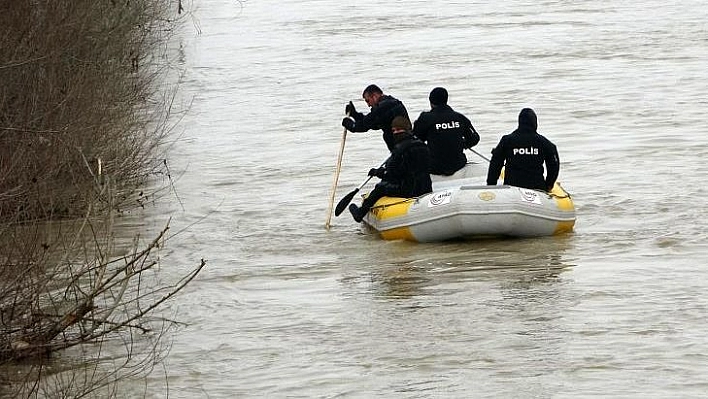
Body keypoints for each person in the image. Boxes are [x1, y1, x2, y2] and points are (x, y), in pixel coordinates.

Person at [349, 116, 432, 222]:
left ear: (407, 130)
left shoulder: (399, 150)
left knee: (380, 187)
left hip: (408, 190)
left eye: (398, 130)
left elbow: (393, 175)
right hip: (425, 188)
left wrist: (378, 173)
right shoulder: (423, 146)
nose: (396, 133)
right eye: (394, 130)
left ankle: (360, 213)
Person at [486, 108, 559, 191]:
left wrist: (491, 185)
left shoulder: (507, 140)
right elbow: (554, 165)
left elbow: (495, 164)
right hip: (537, 188)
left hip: (512, 188)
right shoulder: (544, 143)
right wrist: (549, 184)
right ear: (535, 123)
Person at [412, 87, 480, 176]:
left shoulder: (425, 118)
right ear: (446, 100)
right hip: (458, 164)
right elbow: (474, 138)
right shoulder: (459, 117)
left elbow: (415, 140)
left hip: (434, 167)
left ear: (430, 101)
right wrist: (462, 144)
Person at [341, 84, 411, 152]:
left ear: (374, 96)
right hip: (405, 145)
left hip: (403, 149)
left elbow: (363, 126)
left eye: (368, 101)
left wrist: (349, 124)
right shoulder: (392, 103)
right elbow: (372, 124)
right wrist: (355, 115)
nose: (368, 105)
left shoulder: (384, 107)